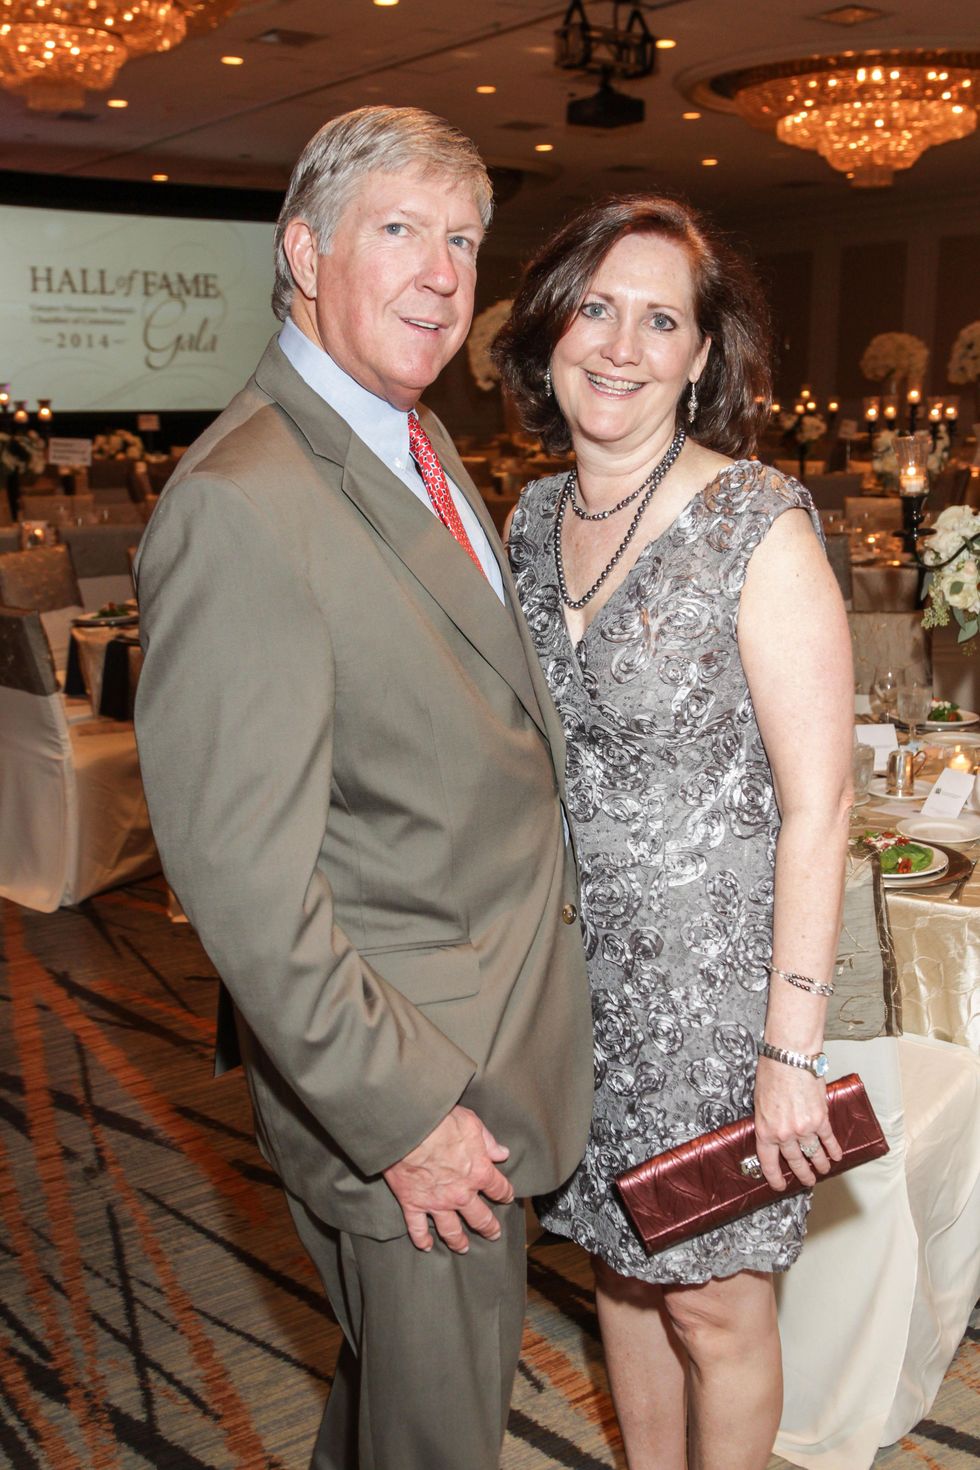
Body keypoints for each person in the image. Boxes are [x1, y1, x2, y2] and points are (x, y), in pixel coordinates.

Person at [134, 106, 593, 1470]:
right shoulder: (244, 500)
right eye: (400, 229)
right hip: (416, 1101)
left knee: (398, 1417)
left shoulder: (414, 438)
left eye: (461, 238)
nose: (445, 273)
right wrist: (408, 1119)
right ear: (302, 250)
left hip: (485, 1052)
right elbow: (244, 886)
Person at [495, 195, 853, 1470]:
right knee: (617, 1266)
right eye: (595, 308)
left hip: (715, 1001)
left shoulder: (757, 523)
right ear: (549, 330)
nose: (620, 345)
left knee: (711, 1296)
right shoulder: (529, 523)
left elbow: (822, 802)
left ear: (702, 357)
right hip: (573, 984)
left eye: (661, 320)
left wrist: (789, 1046)